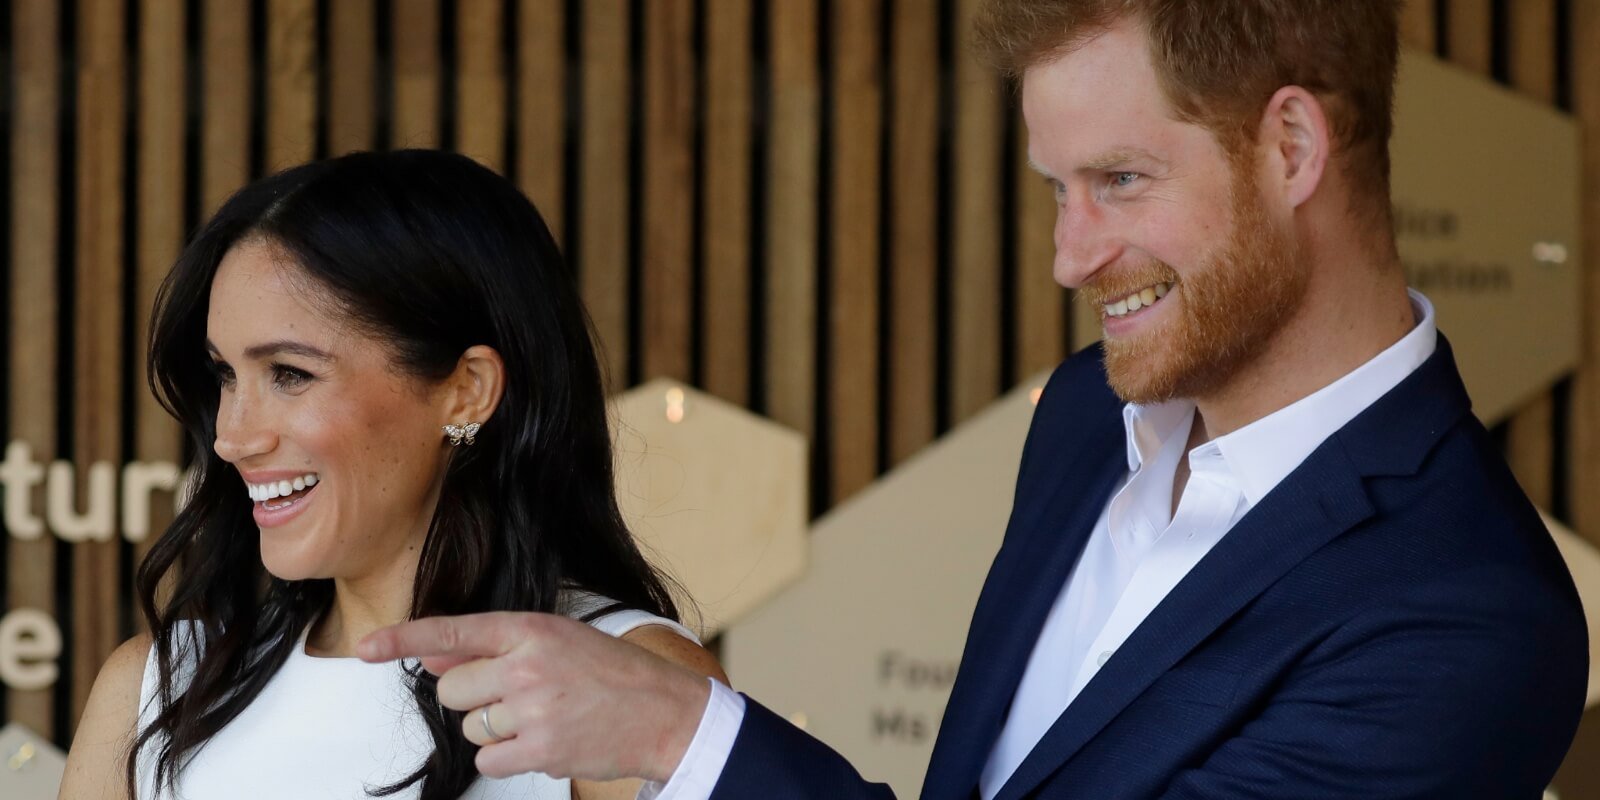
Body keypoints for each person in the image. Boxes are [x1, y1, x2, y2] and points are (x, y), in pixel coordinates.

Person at [358, 0, 1590, 797]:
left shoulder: (1466, 621)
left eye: (1117, 179)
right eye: (1058, 188)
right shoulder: (1082, 418)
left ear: (1291, 148)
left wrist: (687, 735)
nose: (1070, 254)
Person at [57, 149, 727, 800]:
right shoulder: (153, 692)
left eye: (290, 374)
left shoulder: (624, 687)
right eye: (225, 374)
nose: (231, 438)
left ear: (467, 390)